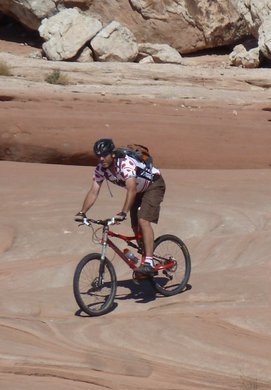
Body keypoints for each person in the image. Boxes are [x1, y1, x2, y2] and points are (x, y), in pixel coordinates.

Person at [75, 138, 166, 275]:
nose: (101, 159)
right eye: (98, 156)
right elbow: (94, 191)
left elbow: (131, 189)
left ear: (112, 154)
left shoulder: (124, 163)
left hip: (153, 185)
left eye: (104, 155)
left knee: (143, 220)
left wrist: (123, 212)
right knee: (135, 226)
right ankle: (145, 253)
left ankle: (149, 262)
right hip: (138, 190)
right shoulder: (101, 169)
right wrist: (82, 212)